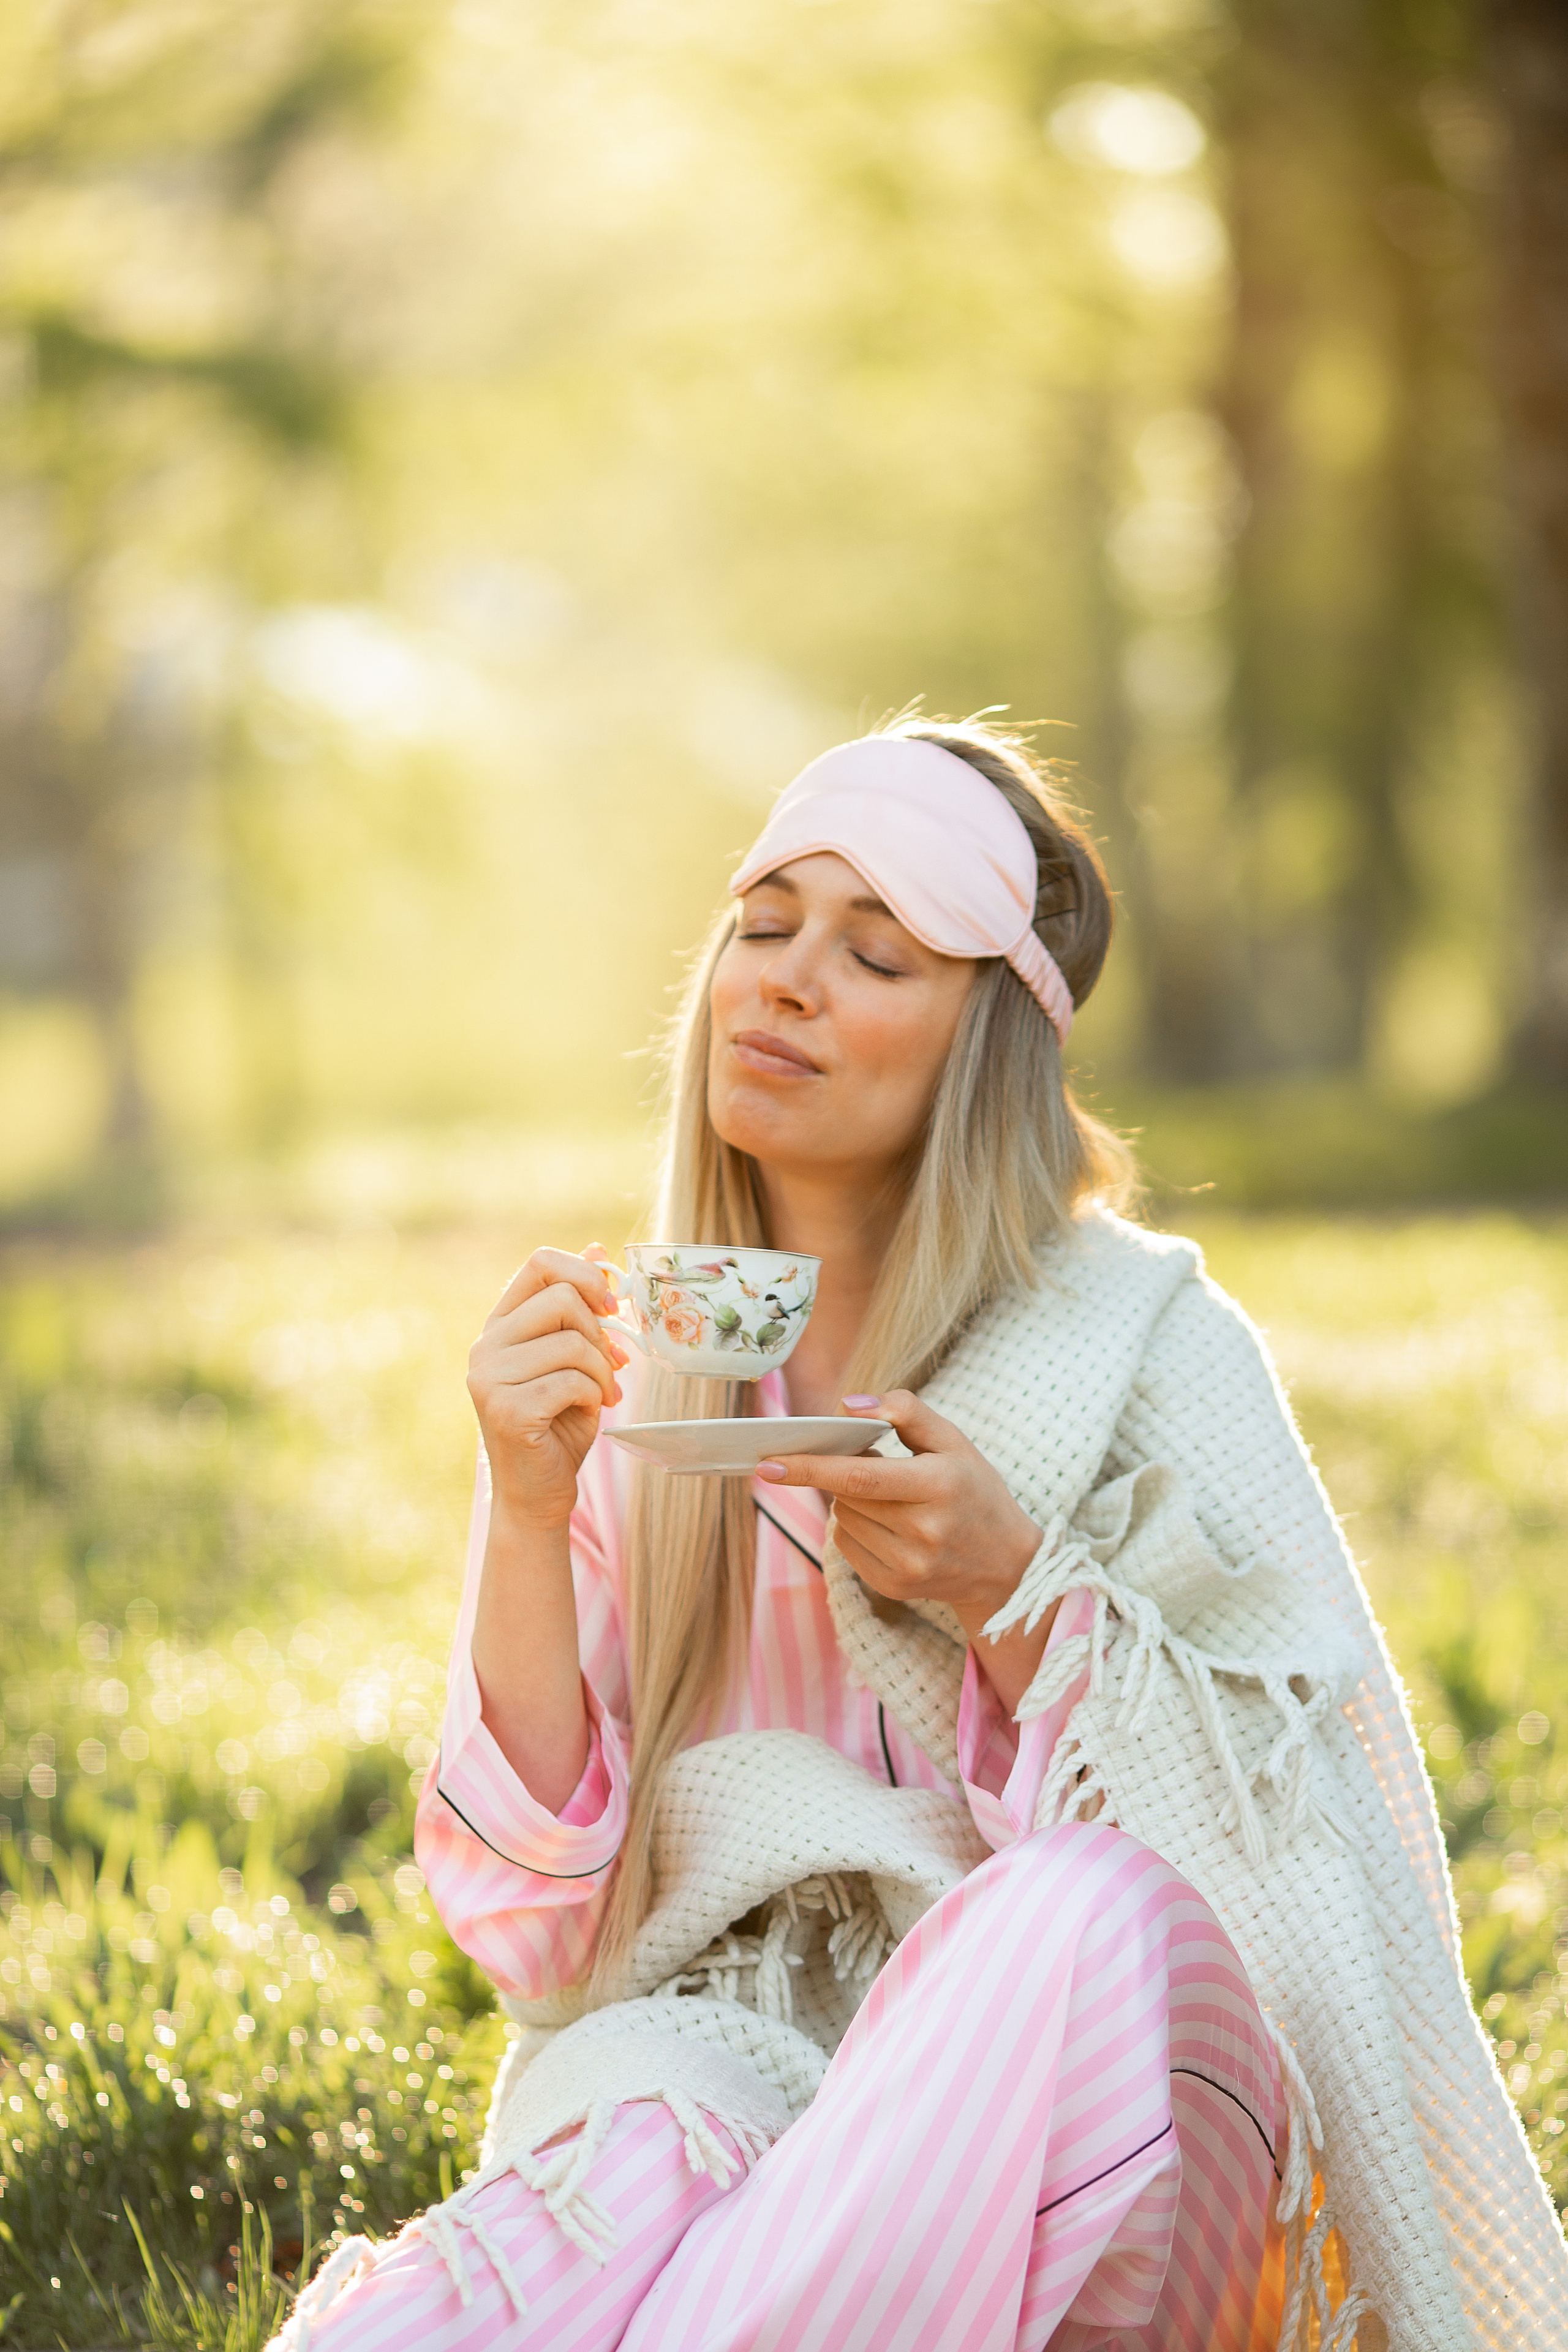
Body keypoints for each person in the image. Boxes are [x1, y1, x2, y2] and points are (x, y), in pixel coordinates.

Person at [276, 721, 1567, 2352]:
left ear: (986, 1044)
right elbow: (541, 1956)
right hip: (724, 2080)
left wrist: (1013, 1592)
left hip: (1115, 2118)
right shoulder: (633, 1384)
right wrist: (532, 1514)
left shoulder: (1147, 1348)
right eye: (763, 924)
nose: (789, 978)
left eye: (875, 951)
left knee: (1056, 1920)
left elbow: (1300, 1838)